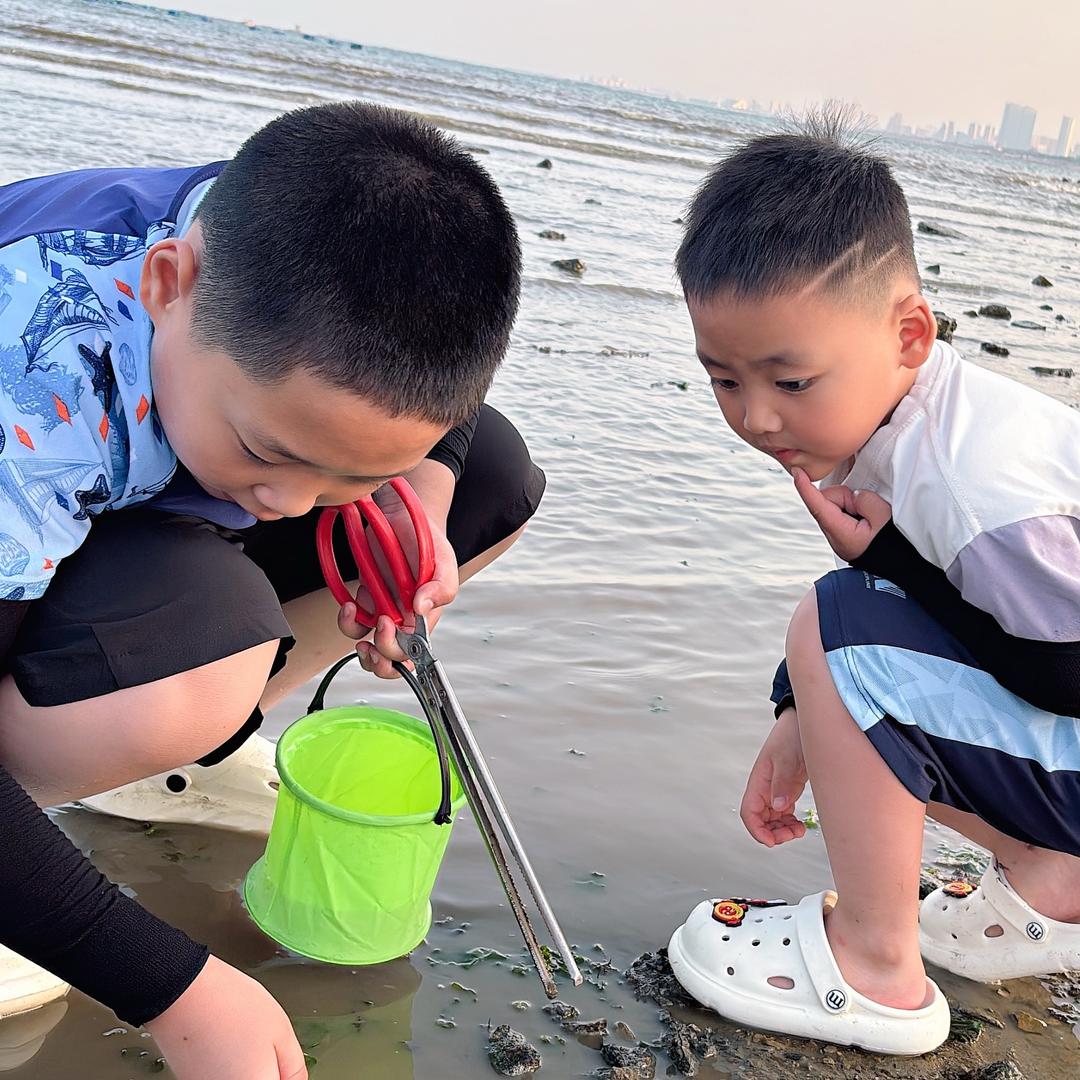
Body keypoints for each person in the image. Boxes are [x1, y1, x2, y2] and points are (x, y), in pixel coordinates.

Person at [0, 100, 545, 1078]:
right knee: (220, 644)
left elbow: (438, 424)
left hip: (130, 504)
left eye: (344, 477)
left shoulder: (305, 251)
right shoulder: (30, 360)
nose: (295, 507)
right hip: (37, 484)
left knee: (487, 481)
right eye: (268, 451)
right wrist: (169, 984)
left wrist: (415, 501)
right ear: (171, 283)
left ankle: (185, 757)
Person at [665, 118, 1080, 1056]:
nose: (758, 418)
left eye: (792, 381)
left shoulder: (977, 487)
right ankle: (1053, 874)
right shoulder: (923, 415)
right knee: (847, 628)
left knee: (836, 618)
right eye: (723, 379)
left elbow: (1065, 680)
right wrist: (799, 715)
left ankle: (874, 965)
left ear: (908, 334)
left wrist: (884, 569)